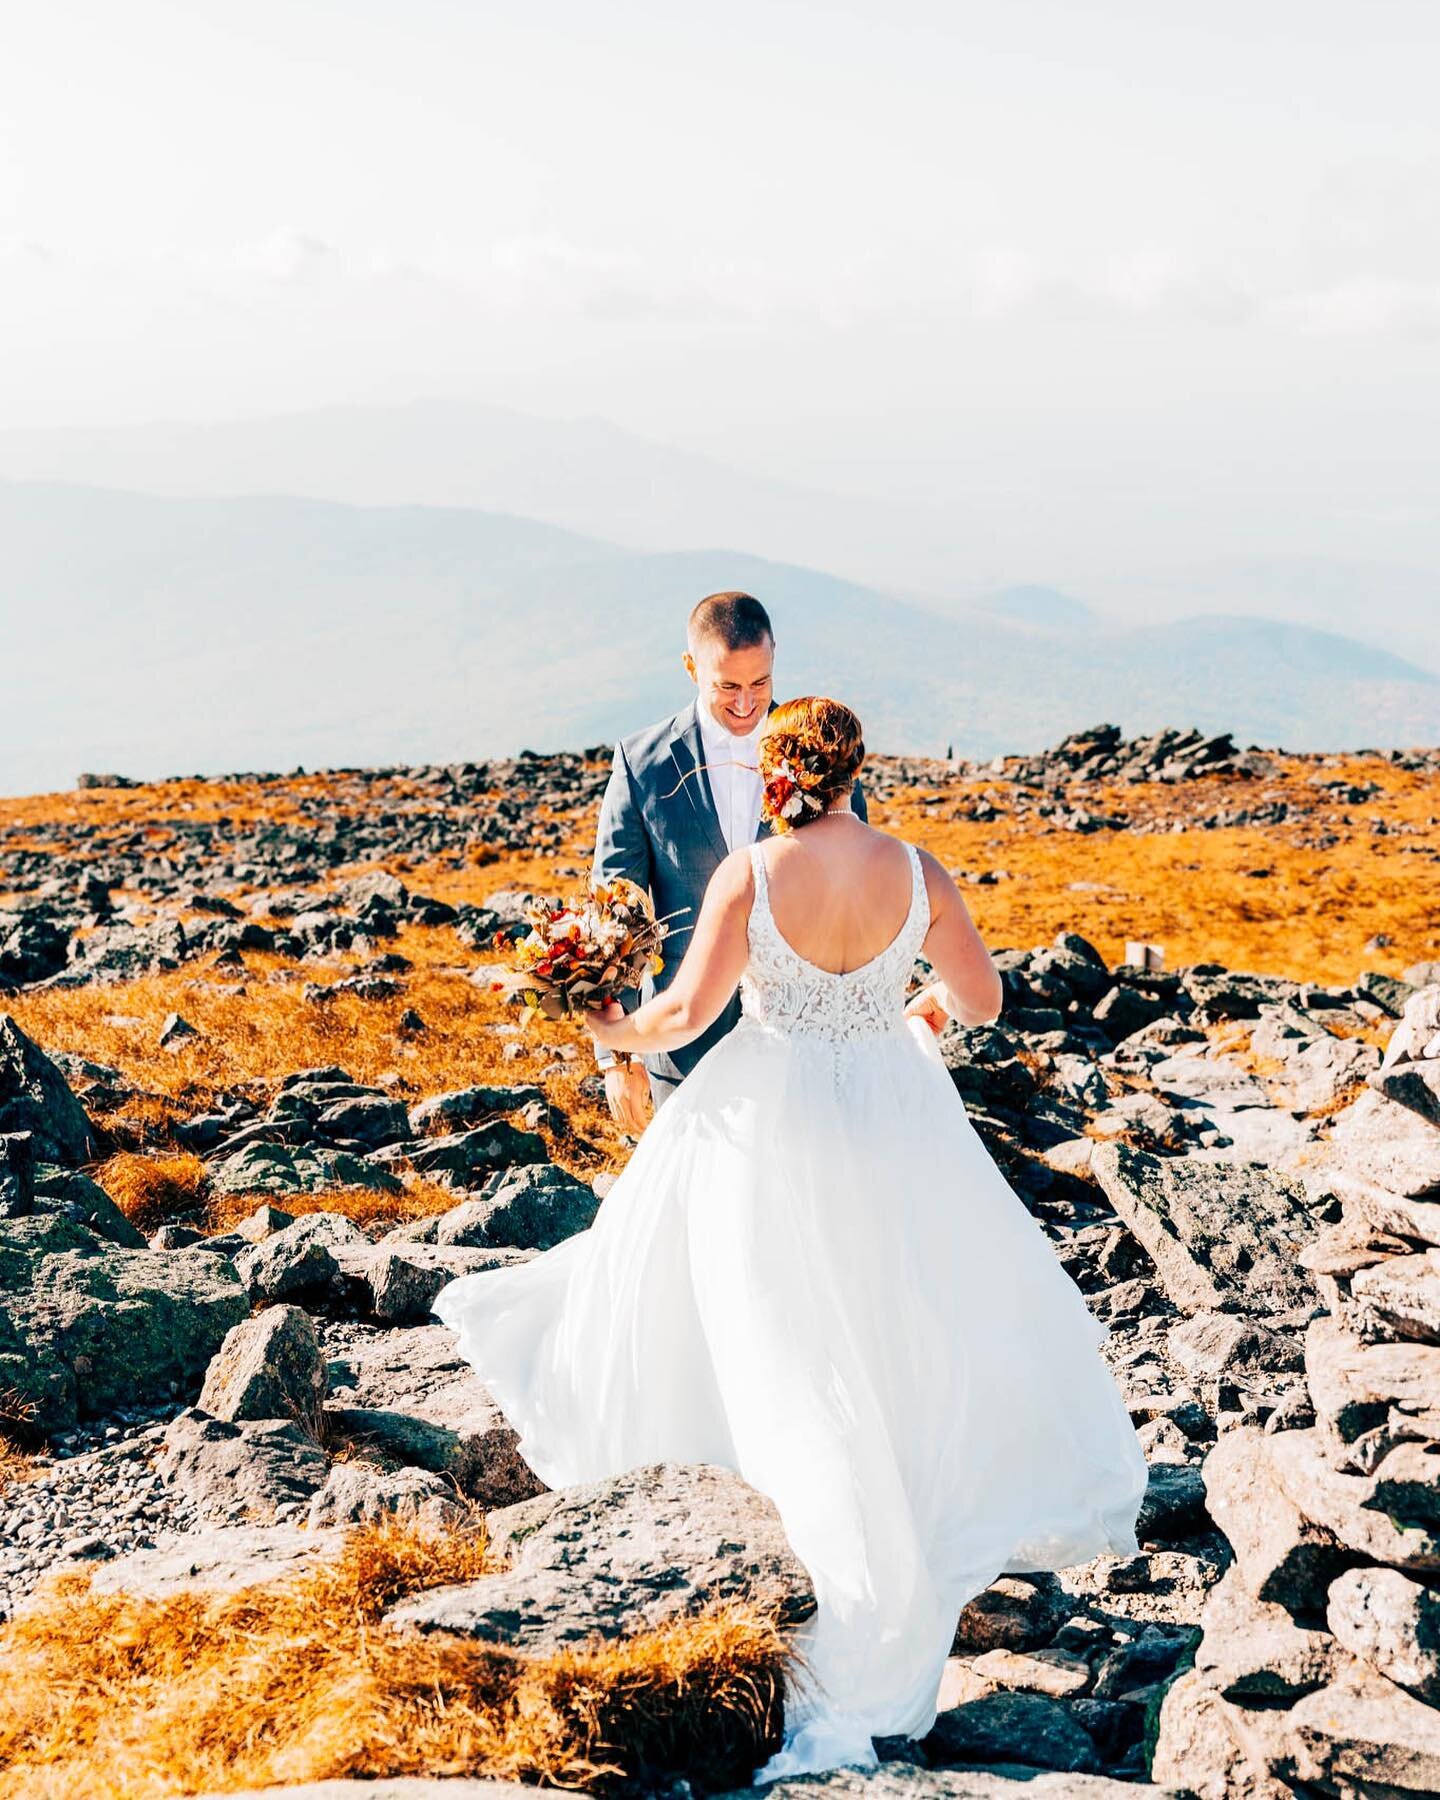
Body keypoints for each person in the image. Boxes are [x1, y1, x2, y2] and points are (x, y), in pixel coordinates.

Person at [433, 696, 1148, 1784]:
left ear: (775, 772)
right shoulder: (919, 870)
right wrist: (908, 1018)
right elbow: (985, 1000)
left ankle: (808, 1556)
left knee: (778, 1343)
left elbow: (681, 1017)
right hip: (896, 1121)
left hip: (771, 1118)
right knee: (892, 1329)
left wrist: (607, 1027)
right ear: (859, 765)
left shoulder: (752, 876)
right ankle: (903, 1544)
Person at [591, 590, 866, 1133]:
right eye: (728, 687)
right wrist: (618, 1056)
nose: (746, 703)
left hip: (801, 1040)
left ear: (774, 660)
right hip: (683, 1043)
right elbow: (614, 907)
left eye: (760, 684)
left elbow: (854, 887)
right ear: (691, 667)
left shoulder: (822, 755)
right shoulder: (641, 763)